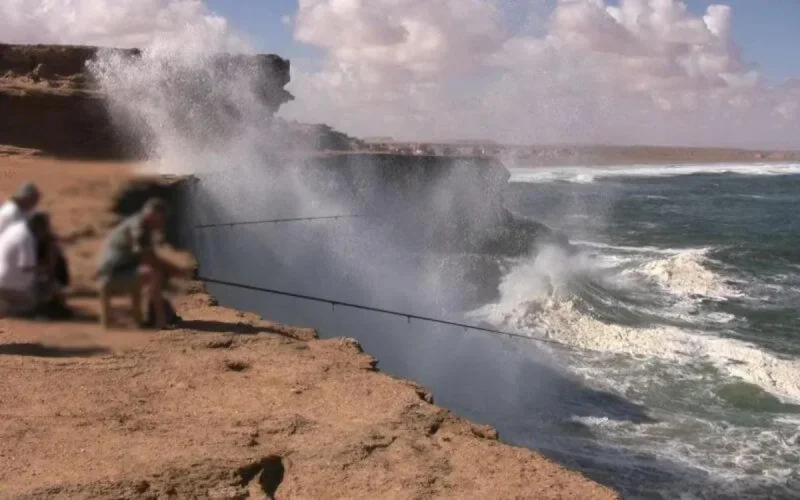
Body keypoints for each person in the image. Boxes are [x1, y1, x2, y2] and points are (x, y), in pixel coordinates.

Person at [95, 198, 189, 330]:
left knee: (158, 272)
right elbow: (148, 258)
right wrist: (178, 271)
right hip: (113, 274)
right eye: (161, 219)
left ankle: (159, 315)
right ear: (154, 215)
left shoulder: (141, 224)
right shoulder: (139, 226)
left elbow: (149, 257)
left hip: (123, 269)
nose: (161, 223)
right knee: (153, 274)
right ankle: (160, 321)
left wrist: (173, 270)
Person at [0, 212, 52, 317]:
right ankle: (6, 309)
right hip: (9, 285)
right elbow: (26, 267)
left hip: (3, 278)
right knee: (32, 305)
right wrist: (46, 269)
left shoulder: (16, 228)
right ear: (38, 226)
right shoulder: (27, 239)